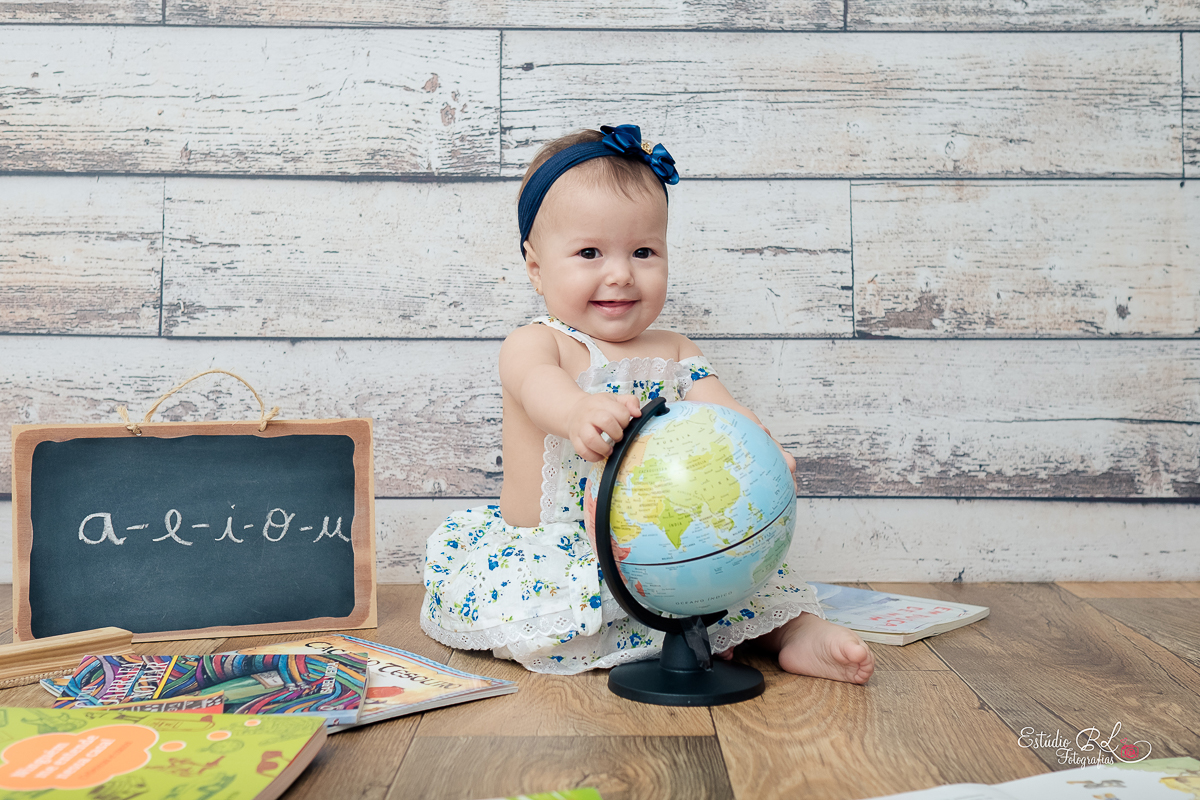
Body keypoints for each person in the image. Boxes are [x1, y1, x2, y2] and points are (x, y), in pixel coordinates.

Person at [422, 124, 874, 684]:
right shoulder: (538, 343)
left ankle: (795, 632)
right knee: (555, 608)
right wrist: (575, 412)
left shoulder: (675, 349)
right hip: (564, 548)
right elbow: (539, 387)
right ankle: (681, 634)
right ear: (536, 267)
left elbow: (723, 409)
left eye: (643, 251)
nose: (620, 273)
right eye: (589, 252)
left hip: (660, 549)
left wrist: (761, 447)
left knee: (755, 575)